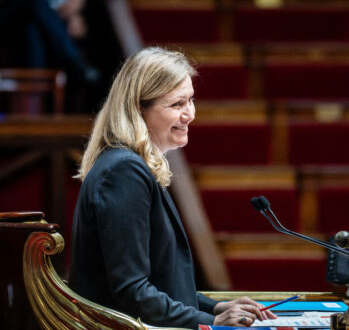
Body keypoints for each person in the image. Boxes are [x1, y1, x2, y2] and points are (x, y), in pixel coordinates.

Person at [69, 46, 277, 329]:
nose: (190, 113)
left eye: (190, 100)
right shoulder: (124, 172)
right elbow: (132, 291)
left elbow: (161, 282)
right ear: (138, 109)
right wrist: (211, 321)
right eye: (177, 104)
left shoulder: (130, 165)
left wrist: (216, 305)